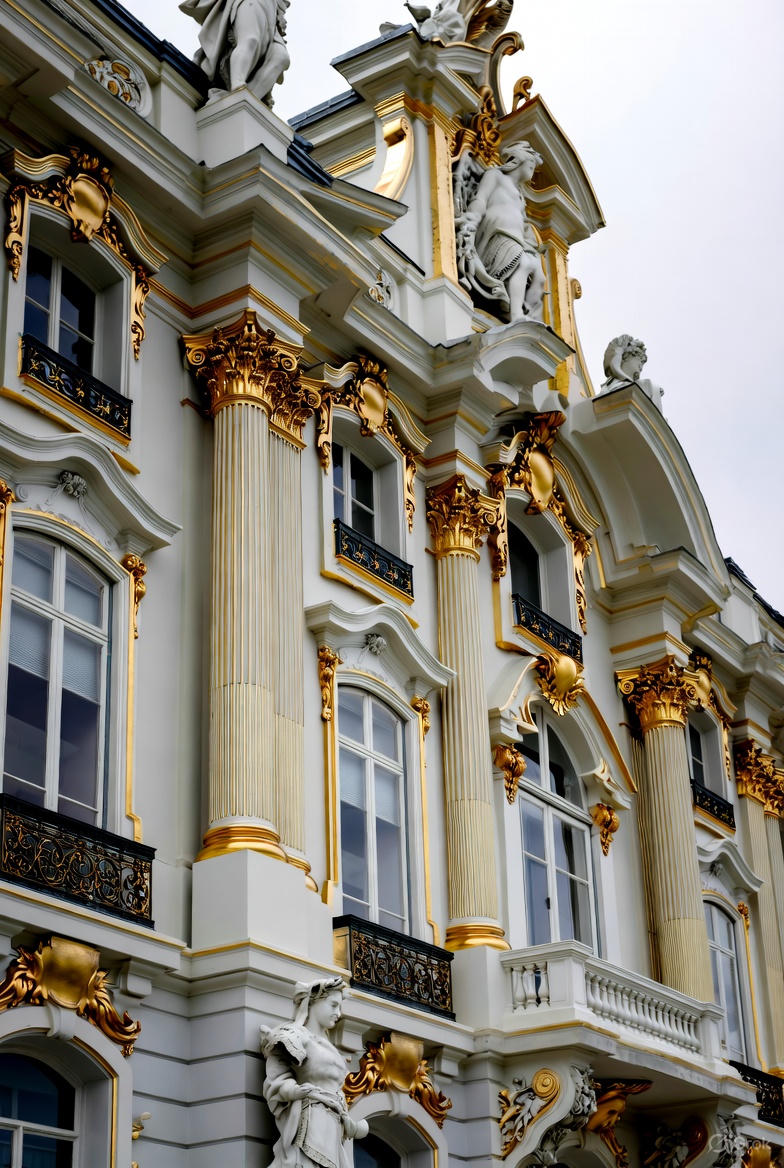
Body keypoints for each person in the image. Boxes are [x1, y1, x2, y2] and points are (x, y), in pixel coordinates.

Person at [260, 977, 369, 1168]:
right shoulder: (293, 1036)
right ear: (314, 1002)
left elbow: (337, 1090)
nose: (338, 1013)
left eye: (339, 1007)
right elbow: (277, 1077)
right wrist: (293, 1091)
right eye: (333, 1005)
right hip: (310, 1120)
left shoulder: (331, 1049)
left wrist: (348, 1122)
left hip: (334, 1129)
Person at [455, 141, 545, 322]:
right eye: (531, 163)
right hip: (496, 233)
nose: (532, 169)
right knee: (522, 264)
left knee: (540, 276)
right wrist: (472, 218)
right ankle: (516, 315)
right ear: (519, 160)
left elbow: (522, 223)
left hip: (517, 239)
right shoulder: (495, 175)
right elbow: (481, 198)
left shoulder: (520, 196)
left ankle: (528, 315)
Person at [179, 0, 291, 105]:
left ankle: (247, 101)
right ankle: (238, 86)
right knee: (250, 39)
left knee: (281, 58)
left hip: (272, 10)